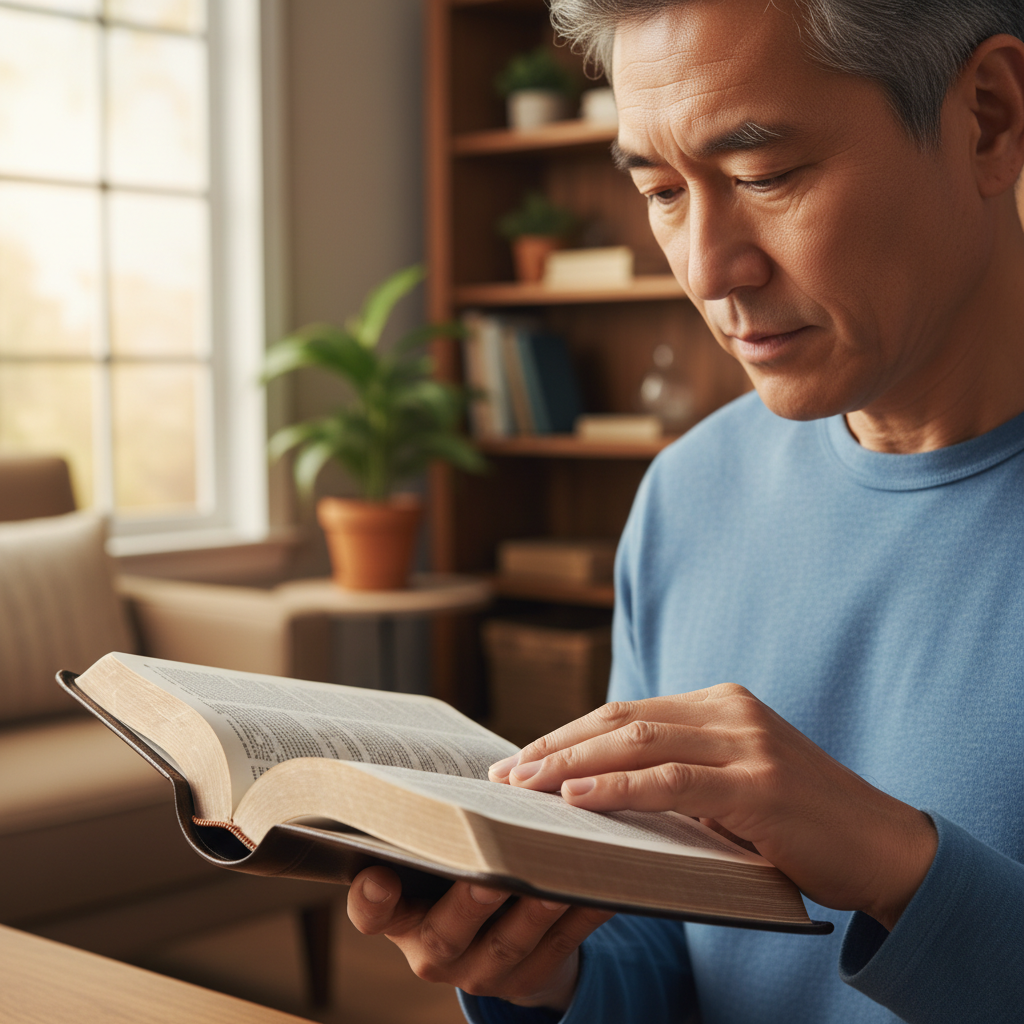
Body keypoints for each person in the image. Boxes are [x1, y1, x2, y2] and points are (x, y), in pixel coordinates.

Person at [348, 0, 1024, 1020]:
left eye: (764, 176)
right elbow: (671, 966)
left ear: (987, 118)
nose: (709, 271)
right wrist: (547, 975)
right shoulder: (685, 493)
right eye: (660, 190)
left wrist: (899, 866)